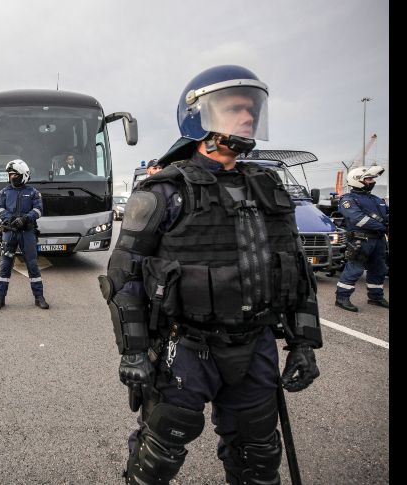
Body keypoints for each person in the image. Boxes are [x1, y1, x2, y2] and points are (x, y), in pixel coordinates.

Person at [99, 65, 322, 484]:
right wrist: (132, 351)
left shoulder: (269, 187)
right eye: (235, 107)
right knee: (158, 458)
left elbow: (294, 272)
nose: (248, 116)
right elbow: (122, 277)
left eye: (252, 107)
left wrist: (304, 343)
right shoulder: (164, 192)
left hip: (255, 347)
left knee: (259, 458)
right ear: (200, 117)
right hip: (186, 347)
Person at [0, 159, 49, 310]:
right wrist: (9, 218)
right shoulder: (3, 192)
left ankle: (39, 297)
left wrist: (25, 219)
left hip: (27, 232)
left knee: (32, 265)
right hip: (9, 233)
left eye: (14, 174)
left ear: (23, 175)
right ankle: (0, 298)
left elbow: (38, 210)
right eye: (10, 174)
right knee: (5, 265)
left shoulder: (33, 193)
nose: (11, 177)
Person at [334, 165, 389, 311]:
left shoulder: (377, 200)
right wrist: (384, 227)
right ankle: (342, 298)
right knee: (355, 269)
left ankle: (376, 297)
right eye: (368, 179)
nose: (372, 181)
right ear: (357, 180)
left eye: (372, 179)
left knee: (379, 269)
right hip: (361, 240)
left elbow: (386, 215)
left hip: (378, 241)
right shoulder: (348, 199)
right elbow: (359, 219)